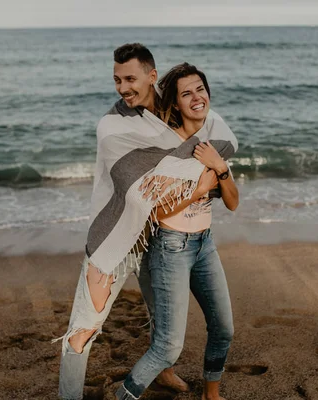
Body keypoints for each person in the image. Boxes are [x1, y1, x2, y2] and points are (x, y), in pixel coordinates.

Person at [57, 43, 188, 400]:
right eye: (116, 80)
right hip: (114, 239)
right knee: (83, 329)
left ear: (152, 76)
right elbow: (143, 182)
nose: (122, 87)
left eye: (130, 78)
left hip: (158, 235)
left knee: (163, 316)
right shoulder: (111, 125)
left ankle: (164, 372)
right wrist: (196, 172)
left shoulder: (176, 111)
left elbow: (211, 141)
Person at [115, 63, 239, 400]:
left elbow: (233, 202)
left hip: (204, 245)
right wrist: (198, 190)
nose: (197, 97)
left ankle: (211, 395)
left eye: (200, 88)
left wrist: (221, 167)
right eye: (187, 93)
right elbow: (155, 211)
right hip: (170, 247)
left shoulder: (210, 143)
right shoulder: (167, 151)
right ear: (176, 103)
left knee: (224, 328)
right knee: (168, 347)